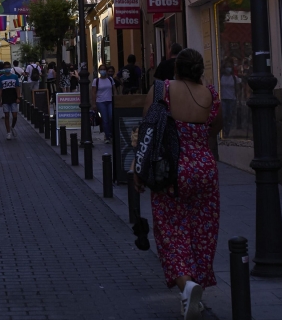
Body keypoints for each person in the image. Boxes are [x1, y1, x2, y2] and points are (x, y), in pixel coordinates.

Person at [134, 48, 223, 320]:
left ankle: (187, 284)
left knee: (171, 231)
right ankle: (193, 295)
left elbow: (147, 132)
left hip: (170, 170)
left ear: (176, 69)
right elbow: (215, 129)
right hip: (205, 170)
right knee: (202, 231)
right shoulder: (211, 94)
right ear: (200, 69)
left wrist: (138, 170)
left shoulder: (162, 90)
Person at [91, 64, 116, 144]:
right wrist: (94, 104)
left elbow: (114, 90)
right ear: (99, 71)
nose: (103, 71)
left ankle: (111, 134)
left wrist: (116, 99)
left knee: (111, 117)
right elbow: (94, 93)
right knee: (105, 119)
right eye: (101, 69)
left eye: (104, 69)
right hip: (100, 102)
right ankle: (107, 136)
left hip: (110, 101)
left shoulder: (110, 79)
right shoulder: (96, 81)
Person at [0, 61, 21, 140]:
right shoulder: (1, 78)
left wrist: (18, 97)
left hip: (13, 97)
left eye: (8, 67)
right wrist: (0, 101)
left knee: (15, 115)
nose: (7, 69)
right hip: (5, 98)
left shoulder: (14, 77)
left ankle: (12, 127)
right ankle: (8, 132)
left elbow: (17, 87)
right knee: (6, 115)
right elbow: (0, 90)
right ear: (4, 69)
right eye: (5, 67)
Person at [219, 64, 241, 137]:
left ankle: (227, 131)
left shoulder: (234, 78)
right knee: (224, 115)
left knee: (229, 115)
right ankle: (223, 129)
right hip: (223, 99)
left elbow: (238, 87)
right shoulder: (221, 77)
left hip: (232, 99)